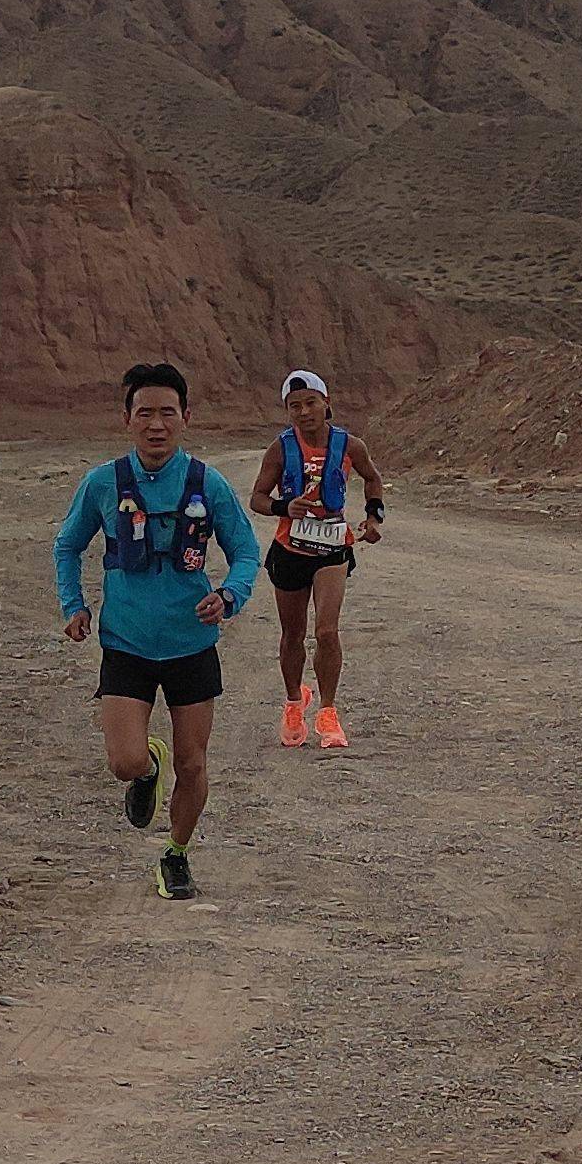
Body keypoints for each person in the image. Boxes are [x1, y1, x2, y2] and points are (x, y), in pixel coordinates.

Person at [52, 360, 255, 900]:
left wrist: (229, 594)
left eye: (168, 412)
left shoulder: (206, 483)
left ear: (186, 417)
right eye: (145, 413)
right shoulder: (102, 483)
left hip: (192, 645)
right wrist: (74, 605)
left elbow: (245, 552)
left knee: (194, 762)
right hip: (126, 644)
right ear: (127, 420)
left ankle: (176, 854)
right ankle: (148, 767)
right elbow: (67, 546)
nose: (156, 424)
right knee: (124, 761)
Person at [248, 367, 386, 748]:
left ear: (327, 403)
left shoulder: (350, 446)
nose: (304, 411)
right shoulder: (281, 448)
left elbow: (372, 478)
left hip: (332, 547)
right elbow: (257, 498)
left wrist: (374, 516)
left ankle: (328, 712)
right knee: (293, 634)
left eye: (310, 403)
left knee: (326, 631)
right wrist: (283, 506)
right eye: (295, 406)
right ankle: (295, 701)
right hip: (290, 548)